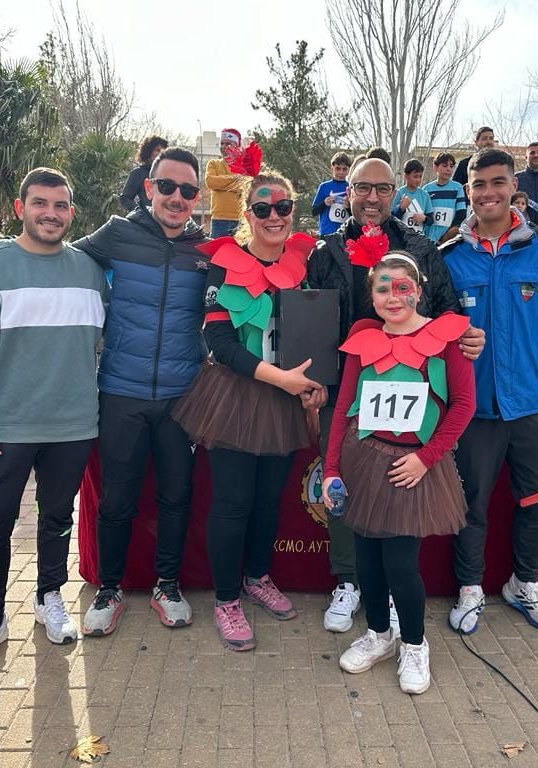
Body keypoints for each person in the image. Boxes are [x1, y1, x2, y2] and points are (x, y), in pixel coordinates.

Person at [307, 157, 485, 634]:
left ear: (397, 193)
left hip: (413, 395)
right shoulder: (325, 251)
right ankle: (350, 580)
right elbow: (307, 318)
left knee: (400, 491)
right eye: (362, 187)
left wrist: (469, 339)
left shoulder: (423, 249)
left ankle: (393, 594)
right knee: (347, 488)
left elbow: (449, 315)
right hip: (346, 387)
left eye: (382, 189)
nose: (371, 198)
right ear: (347, 192)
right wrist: (312, 381)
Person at [0, 168, 107, 674]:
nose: (50, 214)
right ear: (21, 208)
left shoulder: (89, 270)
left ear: (71, 214)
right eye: (40, 204)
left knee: (57, 519)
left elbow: (100, 344)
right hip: (2, 428)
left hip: (72, 426)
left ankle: (48, 598)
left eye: (60, 206)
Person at [443, 149, 538, 635]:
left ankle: (523, 583)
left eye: (497, 182)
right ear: (467, 191)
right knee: (471, 504)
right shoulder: (449, 256)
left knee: (537, 501)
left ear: (514, 188)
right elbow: (429, 331)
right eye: (478, 184)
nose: (488, 192)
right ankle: (469, 588)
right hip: (473, 409)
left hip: (534, 405)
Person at [173, 172, 324, 651]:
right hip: (237, 397)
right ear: (246, 215)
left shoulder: (306, 262)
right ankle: (225, 599)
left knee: (267, 501)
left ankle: (258, 576)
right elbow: (217, 341)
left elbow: (318, 331)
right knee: (233, 502)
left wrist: (314, 385)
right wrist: (279, 378)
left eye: (283, 206)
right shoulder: (225, 265)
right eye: (262, 209)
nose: (274, 216)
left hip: (285, 400)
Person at [74, 147, 210, 636]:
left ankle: (167, 583)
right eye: (168, 187)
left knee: (177, 495)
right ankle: (109, 589)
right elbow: (62, 258)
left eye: (188, 191)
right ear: (149, 186)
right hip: (121, 392)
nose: (177, 198)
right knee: (118, 499)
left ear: (197, 197)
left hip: (181, 396)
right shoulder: (117, 233)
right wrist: (4, 250)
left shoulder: (207, 249)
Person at [324, 254, 474, 695]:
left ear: (419, 290)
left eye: (403, 287)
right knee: (366, 558)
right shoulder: (363, 341)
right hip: (366, 459)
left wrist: (426, 459)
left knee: (401, 563)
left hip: (414, 465)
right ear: (371, 296)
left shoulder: (444, 337)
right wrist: (332, 467)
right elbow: (343, 408)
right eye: (383, 288)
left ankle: (413, 642)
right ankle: (378, 633)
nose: (394, 296)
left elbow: (464, 405)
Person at [206, 129, 246, 238]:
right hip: (219, 220)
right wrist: (236, 179)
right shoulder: (213, 163)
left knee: (240, 254)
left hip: (240, 220)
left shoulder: (244, 166)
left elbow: (246, 187)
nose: (224, 146)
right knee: (216, 254)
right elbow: (211, 182)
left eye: (228, 143)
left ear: (237, 146)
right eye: (222, 143)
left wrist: (221, 184)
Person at [424, 152, 467, 243]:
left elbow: (461, 214)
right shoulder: (427, 189)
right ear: (435, 167)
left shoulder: (457, 187)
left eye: (451, 166)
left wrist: (448, 234)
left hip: (449, 238)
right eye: (444, 166)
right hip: (429, 238)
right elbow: (425, 214)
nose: (448, 169)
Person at [119, 135, 168, 212]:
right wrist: (141, 212)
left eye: (163, 151)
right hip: (146, 221)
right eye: (157, 150)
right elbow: (125, 199)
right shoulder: (138, 173)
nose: (160, 153)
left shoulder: (169, 174)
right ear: (148, 152)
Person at [312, 152, 352, 237]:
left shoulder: (351, 188)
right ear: (332, 168)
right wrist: (324, 203)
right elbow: (314, 211)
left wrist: (348, 207)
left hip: (345, 235)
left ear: (349, 170)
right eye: (338, 168)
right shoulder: (324, 187)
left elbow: (356, 215)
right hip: (326, 233)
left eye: (344, 169)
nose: (341, 172)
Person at [392, 159, 434, 233]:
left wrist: (424, 218)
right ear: (406, 176)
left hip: (419, 238)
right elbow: (392, 217)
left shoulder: (425, 195)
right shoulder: (400, 193)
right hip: (402, 236)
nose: (418, 180)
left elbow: (431, 220)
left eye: (420, 176)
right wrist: (401, 208)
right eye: (415, 176)